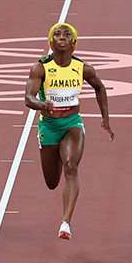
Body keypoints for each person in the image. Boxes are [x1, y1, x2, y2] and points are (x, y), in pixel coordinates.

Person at [24, 23, 114, 240]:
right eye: (57, 34)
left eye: (67, 34)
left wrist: (105, 118)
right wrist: (42, 105)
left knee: (71, 167)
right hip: (48, 125)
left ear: (73, 43)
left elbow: (99, 87)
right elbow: (28, 98)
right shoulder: (41, 68)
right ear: (51, 42)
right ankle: (53, 154)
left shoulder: (83, 68)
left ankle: (66, 223)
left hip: (72, 124)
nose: (62, 37)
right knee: (52, 182)